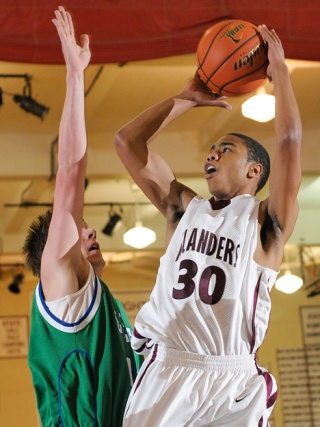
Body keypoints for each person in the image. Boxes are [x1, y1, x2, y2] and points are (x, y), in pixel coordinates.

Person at [114, 25, 301, 427]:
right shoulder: (182, 207)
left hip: (232, 380)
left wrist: (281, 72)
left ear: (254, 170)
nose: (211, 153)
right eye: (212, 149)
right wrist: (184, 99)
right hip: (169, 368)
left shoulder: (267, 222)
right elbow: (126, 143)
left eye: (225, 148)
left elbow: (288, 140)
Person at [23, 7, 141, 426]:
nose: (87, 228)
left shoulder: (101, 308)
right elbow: (70, 174)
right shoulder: (58, 279)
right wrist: (75, 77)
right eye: (77, 227)